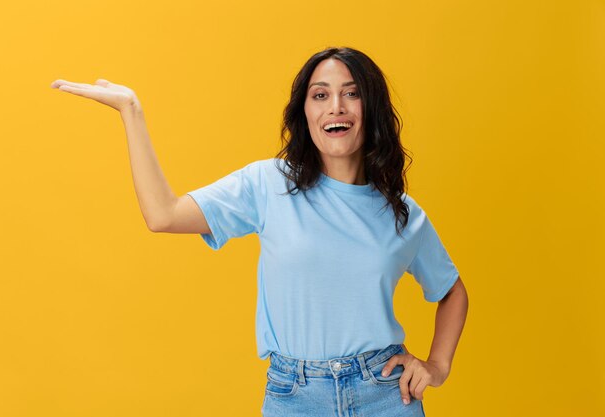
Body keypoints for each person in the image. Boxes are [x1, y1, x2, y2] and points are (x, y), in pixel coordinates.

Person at [50, 46, 468, 417]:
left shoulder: (401, 213)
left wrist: (437, 365)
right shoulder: (268, 184)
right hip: (296, 396)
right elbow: (163, 215)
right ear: (305, 113)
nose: (336, 106)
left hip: (384, 394)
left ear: (370, 108)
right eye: (320, 95)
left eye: (352, 93)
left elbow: (451, 290)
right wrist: (131, 111)